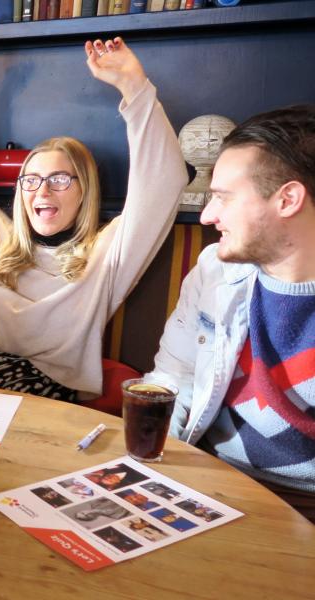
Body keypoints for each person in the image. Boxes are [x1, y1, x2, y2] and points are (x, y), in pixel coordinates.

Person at [0, 28, 187, 401]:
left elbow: (165, 184)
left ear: (84, 190)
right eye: (30, 180)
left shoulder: (105, 256)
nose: (41, 191)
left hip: (41, 393)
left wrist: (135, 88)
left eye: (59, 179)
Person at [150, 104, 315, 522]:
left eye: (222, 198)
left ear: (288, 199)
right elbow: (173, 378)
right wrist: (149, 468)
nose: (207, 216)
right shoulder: (213, 270)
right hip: (207, 480)